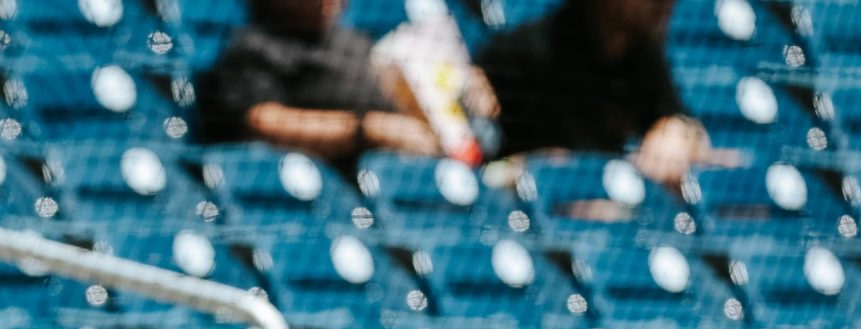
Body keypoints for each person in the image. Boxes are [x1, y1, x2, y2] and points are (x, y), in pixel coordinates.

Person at [476, 0, 718, 188]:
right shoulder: (534, 51)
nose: (666, 3)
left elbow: (683, 124)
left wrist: (680, 131)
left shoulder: (640, 52)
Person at [201, 0, 443, 158]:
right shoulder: (255, 45)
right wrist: (364, 129)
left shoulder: (354, 41)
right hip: (345, 175)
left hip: (420, 159)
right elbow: (261, 121)